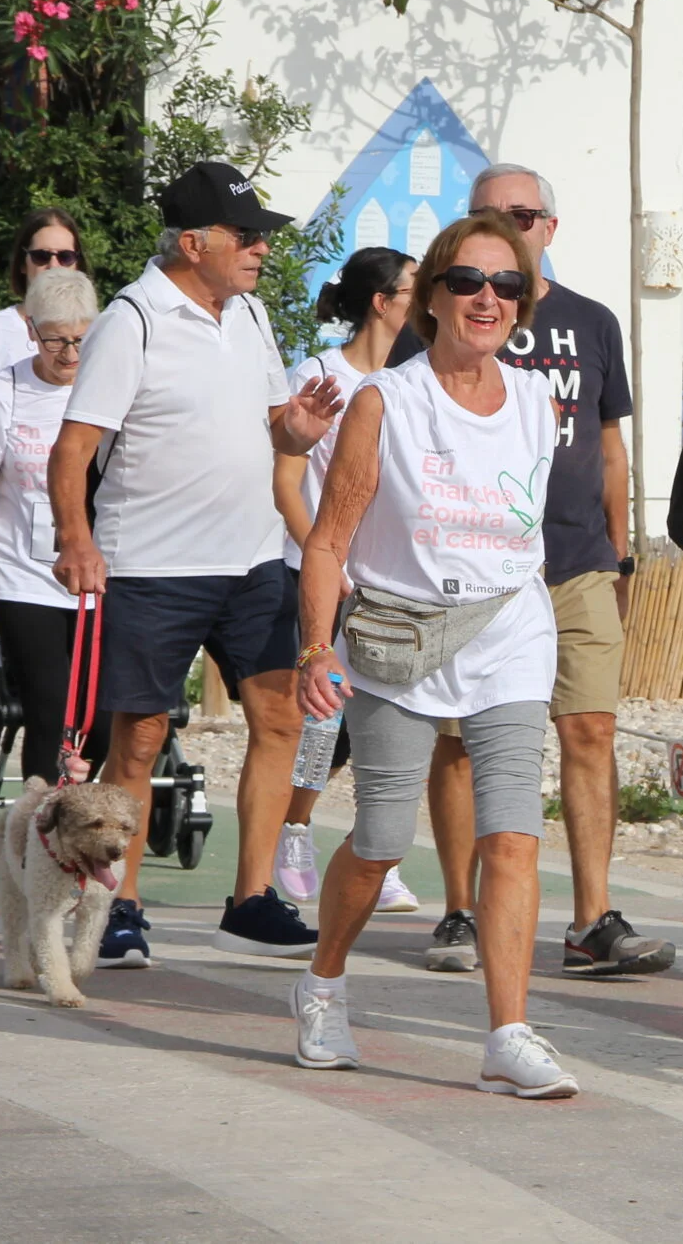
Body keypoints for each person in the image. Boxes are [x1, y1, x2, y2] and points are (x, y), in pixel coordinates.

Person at [285, 211, 579, 1098]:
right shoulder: (387, 402)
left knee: (515, 838)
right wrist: (312, 648)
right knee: (379, 840)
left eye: (507, 285)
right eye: (468, 282)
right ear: (432, 297)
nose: (487, 299)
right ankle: (324, 980)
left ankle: (508, 1031)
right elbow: (330, 541)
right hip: (399, 639)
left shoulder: (538, 399)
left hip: (509, 634)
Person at [47, 161, 344, 968]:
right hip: (152, 565)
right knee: (139, 739)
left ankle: (250, 900)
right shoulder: (132, 319)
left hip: (252, 559)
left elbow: (274, 430)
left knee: (283, 717)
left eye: (260, 237)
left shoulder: (247, 313)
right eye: (246, 236)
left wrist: (300, 428)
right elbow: (72, 450)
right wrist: (76, 539)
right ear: (192, 242)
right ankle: (117, 906)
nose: (260, 250)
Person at [397, 166, 667, 979]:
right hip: (469, 569)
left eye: (521, 214)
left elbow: (610, 441)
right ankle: (459, 910)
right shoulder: (440, 319)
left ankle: (591, 917)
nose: (506, 227)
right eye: (488, 214)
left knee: (590, 729)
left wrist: (621, 547)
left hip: (577, 559)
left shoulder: (593, 321)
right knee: (460, 743)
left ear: (550, 224)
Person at [267, 248, 418, 914]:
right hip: (326, 576)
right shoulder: (320, 375)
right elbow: (287, 486)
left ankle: (376, 850)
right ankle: (294, 829)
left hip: (393, 581)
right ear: (382, 301)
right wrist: (329, 562)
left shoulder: (420, 379)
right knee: (324, 722)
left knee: (388, 722)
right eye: (418, 288)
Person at [0, 269, 106, 781]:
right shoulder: (4, 390)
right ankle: (41, 843)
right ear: (32, 332)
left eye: (80, 340)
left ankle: (76, 809)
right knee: (50, 708)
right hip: (21, 575)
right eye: (54, 340)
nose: (68, 354)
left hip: (99, 575)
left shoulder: (112, 386)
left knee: (103, 717)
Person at [0, 207, 89, 458]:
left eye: (65, 257)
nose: (54, 266)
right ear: (23, 263)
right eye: (41, 256)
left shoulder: (98, 331)